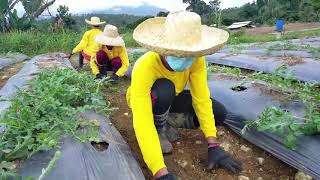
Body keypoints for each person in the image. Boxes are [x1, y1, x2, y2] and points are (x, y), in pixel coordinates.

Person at [127, 11, 242, 180]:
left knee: (219, 113)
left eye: (189, 54)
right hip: (151, 100)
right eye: (180, 53)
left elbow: (201, 99)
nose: (186, 58)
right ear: (164, 48)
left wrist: (213, 145)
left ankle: (165, 121)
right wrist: (160, 173)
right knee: (164, 88)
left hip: (172, 97)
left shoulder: (196, 60)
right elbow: (141, 121)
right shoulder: (145, 66)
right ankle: (159, 129)